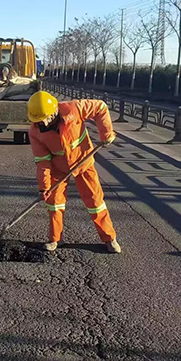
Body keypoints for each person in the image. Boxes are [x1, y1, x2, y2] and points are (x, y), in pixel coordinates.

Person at [26, 91, 121, 253]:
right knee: (54, 204)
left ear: (53, 112)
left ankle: (109, 238)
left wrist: (106, 134)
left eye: (42, 120)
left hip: (83, 162)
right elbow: (43, 163)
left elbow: (101, 107)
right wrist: (44, 187)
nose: (40, 124)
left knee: (95, 202)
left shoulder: (74, 109)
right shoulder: (35, 132)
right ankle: (55, 239)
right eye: (37, 121)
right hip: (58, 168)